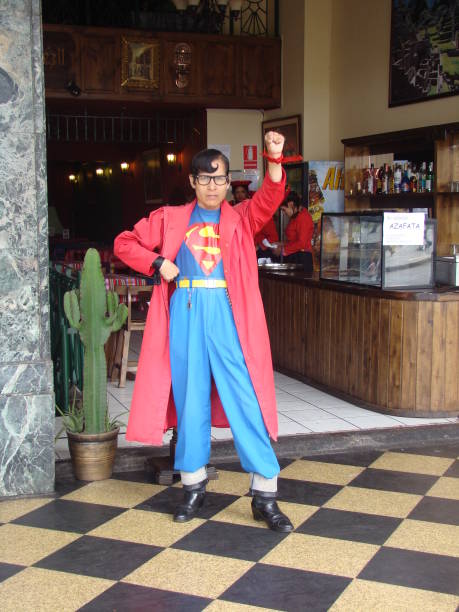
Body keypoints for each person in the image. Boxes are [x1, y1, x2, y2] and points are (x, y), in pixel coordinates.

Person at [114, 131, 293, 533]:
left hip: (228, 319)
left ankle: (265, 494)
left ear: (229, 183)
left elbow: (269, 197)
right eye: (205, 179)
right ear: (192, 182)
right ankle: (192, 486)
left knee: (247, 402)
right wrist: (159, 262)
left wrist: (275, 159)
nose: (213, 186)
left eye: (220, 179)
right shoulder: (169, 219)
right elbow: (124, 243)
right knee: (190, 400)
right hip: (187, 313)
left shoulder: (241, 218)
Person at [272, 192, 314, 274]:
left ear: (291, 204)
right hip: (294, 256)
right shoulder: (294, 217)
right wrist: (281, 244)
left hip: (302, 258)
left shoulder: (303, 217)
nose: (284, 213)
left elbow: (301, 243)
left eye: (284, 210)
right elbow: (293, 241)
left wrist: (283, 250)